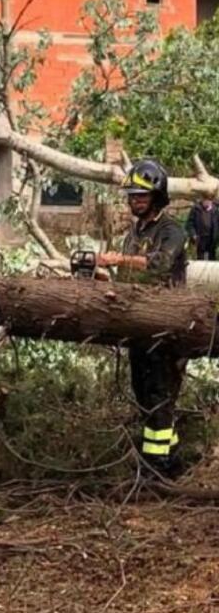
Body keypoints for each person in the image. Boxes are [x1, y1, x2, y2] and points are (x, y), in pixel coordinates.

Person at [97, 159, 188, 478]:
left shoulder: (172, 230)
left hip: (167, 325)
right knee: (143, 392)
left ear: (157, 197)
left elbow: (160, 265)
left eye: (142, 196)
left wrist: (121, 258)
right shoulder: (134, 233)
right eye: (132, 196)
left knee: (160, 396)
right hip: (137, 324)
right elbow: (127, 277)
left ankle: (156, 467)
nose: (135, 201)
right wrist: (106, 279)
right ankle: (171, 458)